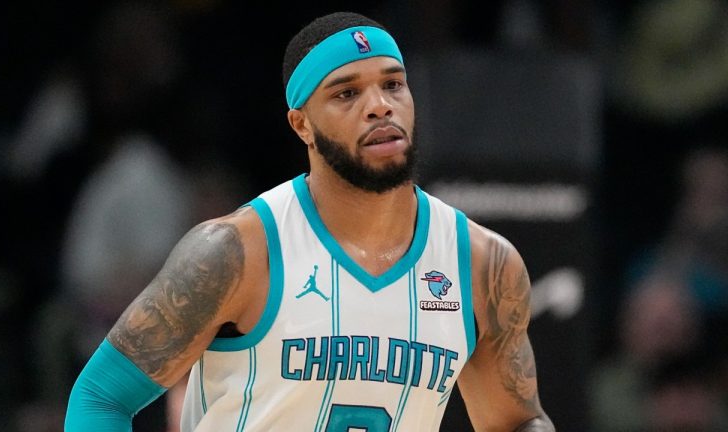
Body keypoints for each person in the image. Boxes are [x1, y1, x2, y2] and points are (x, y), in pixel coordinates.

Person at [65, 11, 554, 431]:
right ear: (302, 125)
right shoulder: (235, 252)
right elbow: (101, 397)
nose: (379, 105)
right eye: (346, 93)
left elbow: (516, 420)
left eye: (392, 84)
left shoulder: (483, 263)